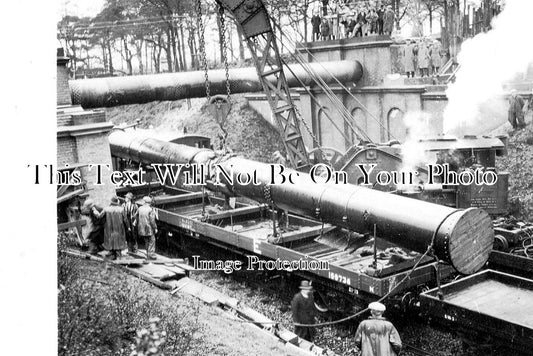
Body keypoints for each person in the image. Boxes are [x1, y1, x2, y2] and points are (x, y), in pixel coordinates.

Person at [93, 196, 127, 260]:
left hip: (109, 228)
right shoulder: (121, 209)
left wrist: (94, 210)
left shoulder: (106, 209)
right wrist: (128, 227)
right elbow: (125, 220)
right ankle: (118, 256)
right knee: (118, 241)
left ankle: (113, 254)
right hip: (119, 228)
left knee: (111, 240)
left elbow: (99, 216)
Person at [136, 196, 158, 260]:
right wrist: (155, 228)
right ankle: (150, 255)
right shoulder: (150, 210)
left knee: (146, 241)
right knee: (152, 240)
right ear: (149, 203)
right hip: (149, 229)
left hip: (142, 229)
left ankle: (148, 254)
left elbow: (135, 216)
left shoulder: (140, 208)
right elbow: (152, 221)